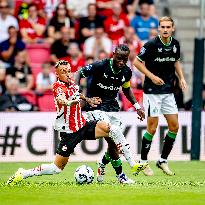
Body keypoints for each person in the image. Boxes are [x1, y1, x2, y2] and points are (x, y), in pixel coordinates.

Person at [7, 60, 145, 185]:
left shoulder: (72, 84)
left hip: (83, 124)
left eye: (68, 71)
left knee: (112, 130)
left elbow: (77, 94)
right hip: (69, 132)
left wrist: (88, 100)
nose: (68, 74)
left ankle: (131, 164)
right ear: (57, 74)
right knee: (56, 168)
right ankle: (23, 173)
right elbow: (62, 99)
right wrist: (70, 102)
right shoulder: (57, 86)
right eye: (63, 72)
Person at [76, 44, 147, 184]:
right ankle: (127, 169)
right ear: (113, 54)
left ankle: (102, 163)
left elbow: (126, 90)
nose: (121, 61)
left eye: (125, 59)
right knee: (113, 136)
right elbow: (78, 73)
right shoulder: (101, 65)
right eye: (119, 58)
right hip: (95, 107)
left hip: (113, 108)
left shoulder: (127, 71)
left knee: (113, 144)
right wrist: (78, 93)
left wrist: (137, 106)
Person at [133, 16, 187, 176]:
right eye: (162, 27)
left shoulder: (175, 44)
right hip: (152, 93)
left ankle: (162, 160)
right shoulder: (151, 45)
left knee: (174, 126)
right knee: (152, 128)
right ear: (158, 28)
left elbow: (176, 61)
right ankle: (143, 162)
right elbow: (136, 62)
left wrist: (182, 78)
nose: (165, 29)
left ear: (173, 28)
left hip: (168, 92)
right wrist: (151, 76)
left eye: (168, 27)